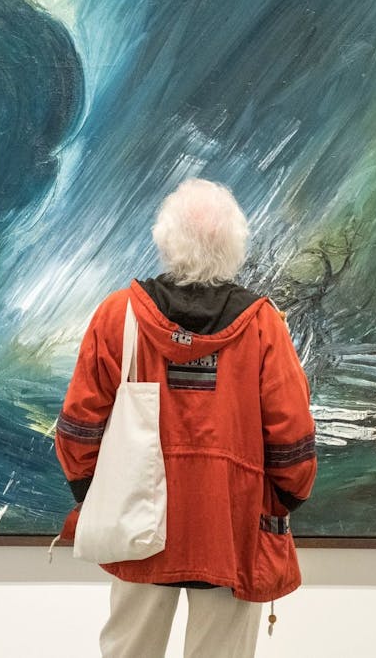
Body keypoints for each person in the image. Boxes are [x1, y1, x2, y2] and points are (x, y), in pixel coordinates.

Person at [54, 178, 317, 657]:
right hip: (232, 525)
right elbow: (292, 437)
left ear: (166, 239)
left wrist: (93, 491)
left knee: (129, 650)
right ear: (234, 247)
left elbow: (78, 425)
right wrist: (279, 501)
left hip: (136, 522)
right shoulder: (263, 326)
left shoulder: (119, 316)